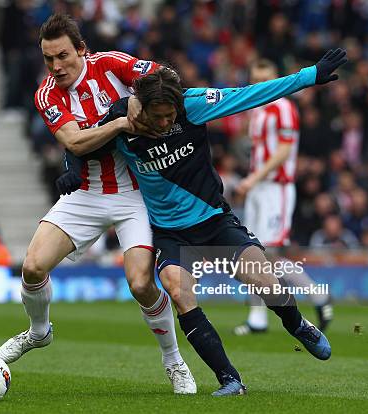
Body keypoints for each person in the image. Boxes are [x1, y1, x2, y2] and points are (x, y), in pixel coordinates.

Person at [57, 51, 346, 395]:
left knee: (267, 283)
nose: (164, 123)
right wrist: (72, 172)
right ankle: (230, 379)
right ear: (141, 108)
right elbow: (80, 144)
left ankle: (298, 325)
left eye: (169, 117)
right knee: (178, 292)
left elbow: (250, 95)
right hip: (170, 232)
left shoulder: (193, 105)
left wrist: (309, 75)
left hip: (214, 221)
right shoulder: (123, 119)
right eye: (157, 117)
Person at [0, 13, 197, 395]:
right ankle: (39, 332)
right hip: (85, 194)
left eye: (63, 56)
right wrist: (120, 122)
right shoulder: (46, 94)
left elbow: (166, 79)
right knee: (33, 267)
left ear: (82, 50)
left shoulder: (112, 64)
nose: (56, 66)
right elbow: (74, 142)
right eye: (49, 59)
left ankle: (174, 360)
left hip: (135, 194)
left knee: (140, 283)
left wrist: (137, 97)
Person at [233, 59, 333, 336]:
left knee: (269, 254)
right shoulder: (257, 109)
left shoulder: (284, 107)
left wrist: (253, 177)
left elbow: (285, 151)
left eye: (265, 78)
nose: (260, 83)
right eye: (255, 78)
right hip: (258, 189)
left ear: (275, 78)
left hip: (276, 189)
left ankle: (315, 296)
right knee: (251, 252)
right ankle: (260, 317)